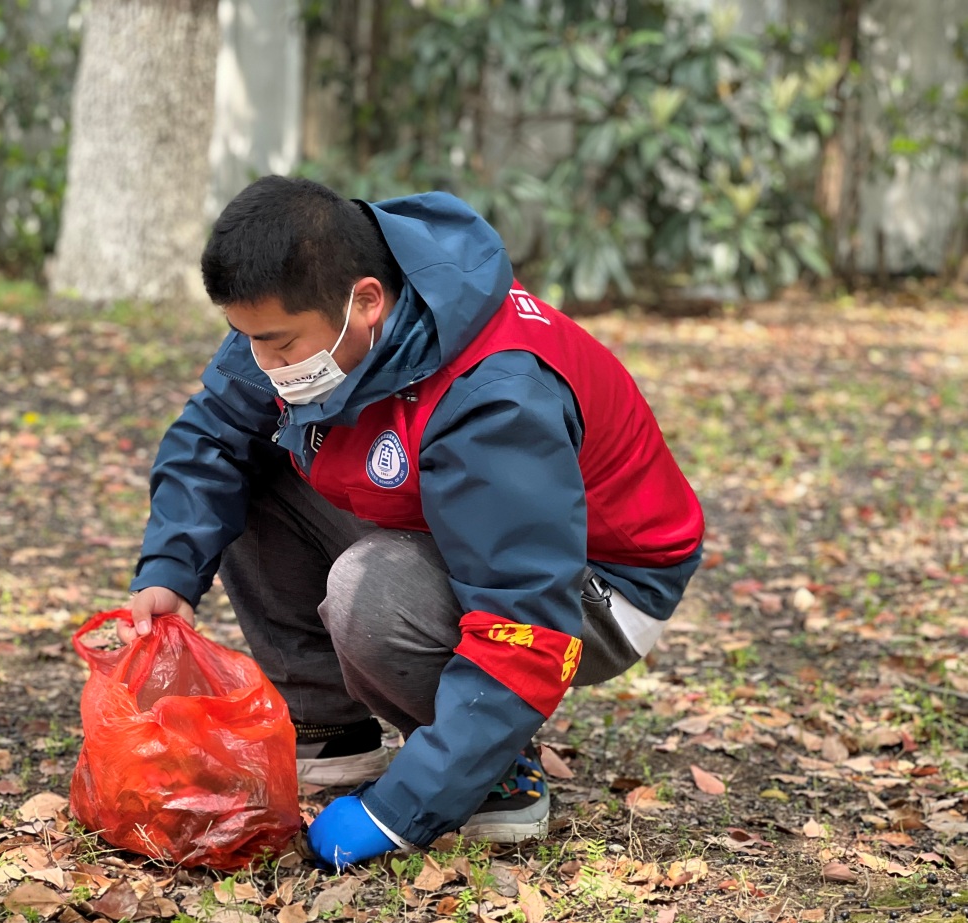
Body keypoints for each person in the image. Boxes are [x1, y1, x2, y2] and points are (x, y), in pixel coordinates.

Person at [121, 176, 705, 871]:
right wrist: (169, 570)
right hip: (460, 525)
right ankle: (328, 725)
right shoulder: (307, 303)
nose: (262, 363)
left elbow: (528, 625)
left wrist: (400, 812)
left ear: (365, 301)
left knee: (373, 591)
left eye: (278, 343)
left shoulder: (496, 397)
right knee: (249, 464)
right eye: (246, 338)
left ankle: (491, 780)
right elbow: (214, 436)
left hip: (596, 585)